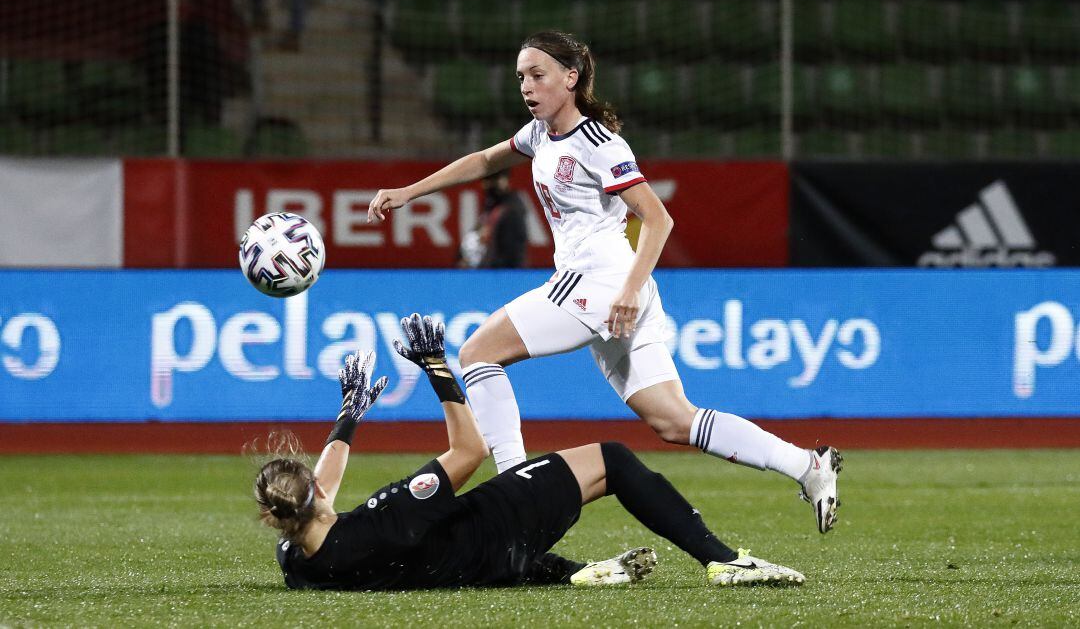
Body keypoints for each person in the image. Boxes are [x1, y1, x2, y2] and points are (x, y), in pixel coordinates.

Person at [367, 31, 844, 533]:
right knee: (673, 421)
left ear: (570, 78)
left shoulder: (599, 143)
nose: (526, 87)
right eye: (521, 78)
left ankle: (516, 491)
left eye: (537, 75)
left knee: (478, 354)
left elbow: (658, 219)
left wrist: (630, 289)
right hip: (608, 286)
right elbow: (486, 161)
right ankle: (807, 466)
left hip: (602, 282)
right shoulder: (538, 134)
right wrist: (409, 191)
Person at [255, 314, 807, 591]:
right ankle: (724, 561)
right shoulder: (389, 516)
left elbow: (318, 492)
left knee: (491, 541)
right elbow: (467, 450)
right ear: (315, 499)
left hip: (477, 569)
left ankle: (575, 574)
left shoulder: (297, 562)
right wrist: (438, 368)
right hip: (497, 528)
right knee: (612, 459)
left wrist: (349, 415)